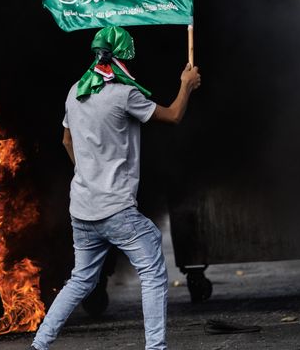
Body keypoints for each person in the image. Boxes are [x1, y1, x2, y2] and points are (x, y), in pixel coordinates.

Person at [31, 25, 201, 350]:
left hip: (82, 208)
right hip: (116, 209)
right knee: (152, 270)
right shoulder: (124, 94)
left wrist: (87, 172)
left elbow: (66, 139)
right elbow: (174, 115)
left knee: (80, 279)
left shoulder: (75, 91)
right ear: (124, 56)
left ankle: (39, 345)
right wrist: (186, 84)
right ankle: (156, 348)